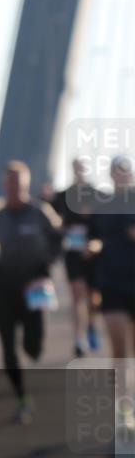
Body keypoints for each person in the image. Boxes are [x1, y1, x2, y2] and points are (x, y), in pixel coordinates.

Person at [0, 161, 62, 424]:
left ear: (26, 185)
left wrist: (47, 266)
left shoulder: (39, 212)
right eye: (10, 183)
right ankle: (22, 396)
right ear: (4, 185)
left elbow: (58, 237)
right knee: (8, 348)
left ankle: (32, 350)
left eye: (18, 183)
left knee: (34, 347)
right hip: (5, 289)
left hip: (34, 289)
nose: (14, 188)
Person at [88, 154, 135, 431]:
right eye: (117, 172)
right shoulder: (101, 206)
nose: (122, 176)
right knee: (119, 348)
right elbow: (92, 235)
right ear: (111, 175)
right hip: (112, 284)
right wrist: (91, 246)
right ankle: (124, 409)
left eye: (125, 172)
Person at [51, 158, 101, 357]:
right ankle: (79, 339)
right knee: (76, 295)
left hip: (93, 251)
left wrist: (95, 244)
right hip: (73, 252)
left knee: (92, 298)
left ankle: (91, 325)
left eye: (82, 168)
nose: (79, 171)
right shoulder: (64, 195)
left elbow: (103, 224)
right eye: (75, 168)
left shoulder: (96, 195)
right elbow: (51, 216)